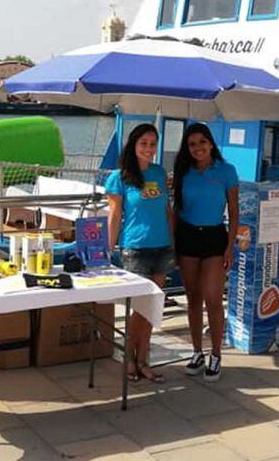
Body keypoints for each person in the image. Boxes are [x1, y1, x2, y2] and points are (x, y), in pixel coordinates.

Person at [105, 123, 175, 383]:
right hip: (135, 249)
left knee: (151, 307)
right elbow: (114, 216)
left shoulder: (158, 173)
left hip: (162, 248)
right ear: (134, 145)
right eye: (143, 143)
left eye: (153, 144)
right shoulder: (119, 177)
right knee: (138, 309)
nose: (148, 148)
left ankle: (144, 360)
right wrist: (106, 251)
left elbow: (166, 210)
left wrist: (174, 241)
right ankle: (129, 360)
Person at [172, 123, 239, 382]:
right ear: (187, 149)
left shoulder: (227, 171)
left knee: (213, 298)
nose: (198, 147)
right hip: (187, 237)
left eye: (202, 142)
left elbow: (234, 212)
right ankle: (197, 351)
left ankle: (217, 354)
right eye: (192, 144)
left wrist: (230, 246)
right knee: (193, 298)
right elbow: (177, 211)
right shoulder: (183, 173)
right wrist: (174, 245)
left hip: (214, 238)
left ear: (211, 143)